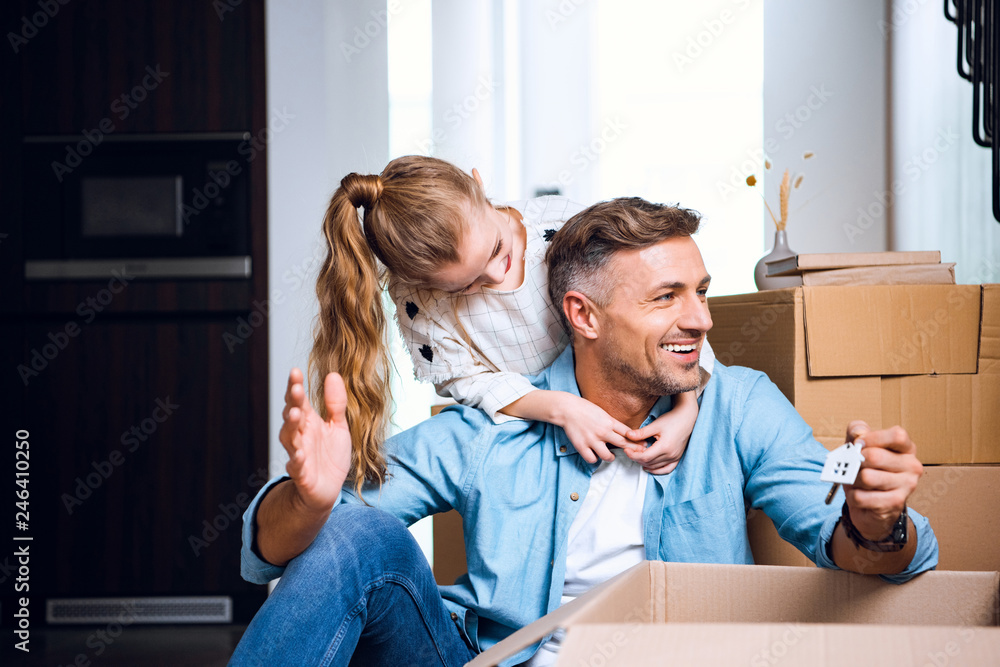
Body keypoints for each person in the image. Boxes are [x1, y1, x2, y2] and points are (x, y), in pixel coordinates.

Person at [231, 197, 937, 667]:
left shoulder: (739, 404)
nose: (701, 319)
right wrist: (310, 503)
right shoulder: (495, 427)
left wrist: (878, 520)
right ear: (584, 315)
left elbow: (854, 544)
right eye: (666, 297)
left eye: (700, 291)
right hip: (498, 658)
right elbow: (266, 550)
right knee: (352, 532)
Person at [315, 156, 711, 486]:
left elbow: (667, 317)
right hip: (540, 438)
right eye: (466, 286)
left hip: (644, 405)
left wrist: (686, 407)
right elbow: (467, 381)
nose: (494, 276)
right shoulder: (421, 303)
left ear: (478, 185)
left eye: (496, 249)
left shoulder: (558, 221)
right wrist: (561, 408)